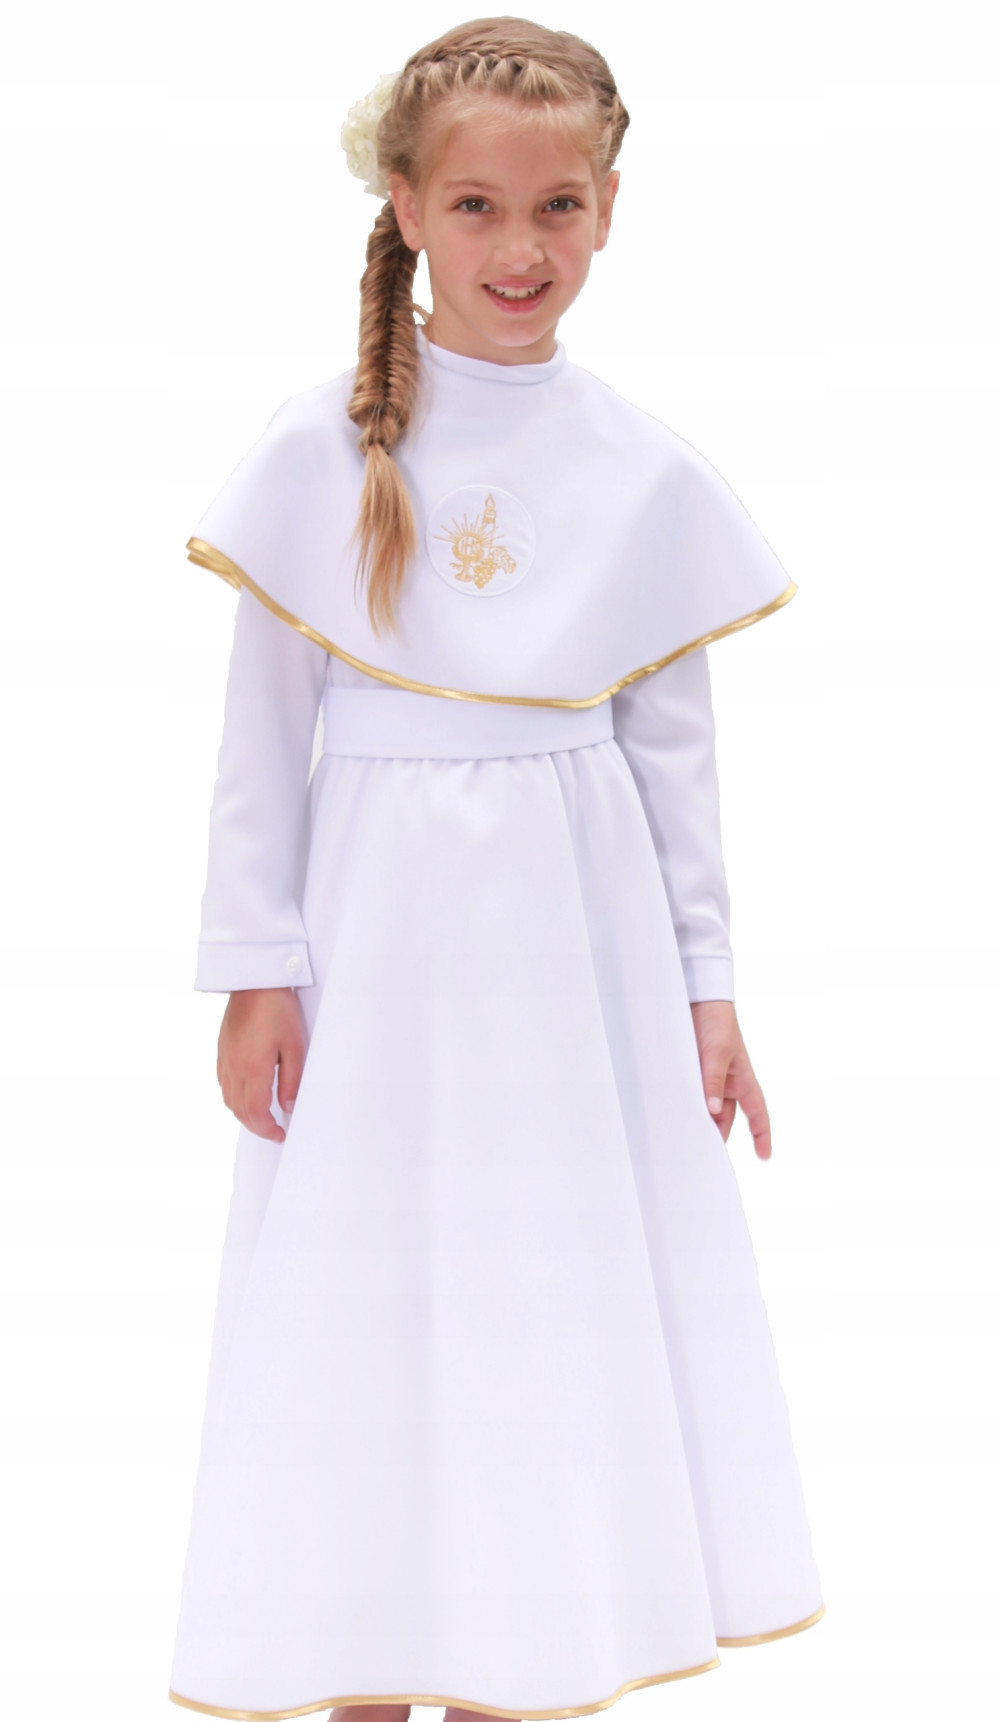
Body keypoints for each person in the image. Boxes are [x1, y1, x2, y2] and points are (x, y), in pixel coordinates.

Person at [167, 16, 825, 1722]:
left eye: (558, 208)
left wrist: (708, 990)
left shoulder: (643, 471)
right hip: (376, 947)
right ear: (404, 207)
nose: (519, 248)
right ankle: (361, 1660)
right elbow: (262, 742)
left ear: (609, 209)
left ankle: (520, 1662)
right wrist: (257, 967)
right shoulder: (321, 451)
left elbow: (676, 764)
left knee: (546, 1293)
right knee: (370, 1289)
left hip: (575, 961)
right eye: (474, 206)